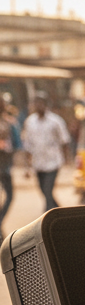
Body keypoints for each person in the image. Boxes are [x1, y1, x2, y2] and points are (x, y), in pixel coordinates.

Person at [20, 93, 71, 211]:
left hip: (53, 162)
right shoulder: (30, 122)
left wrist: (66, 160)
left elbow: (64, 141)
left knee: (48, 192)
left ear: (46, 105)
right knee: (44, 192)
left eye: (41, 103)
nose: (39, 106)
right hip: (38, 163)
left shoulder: (55, 121)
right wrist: (27, 166)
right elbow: (28, 145)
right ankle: (60, 212)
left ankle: (47, 220)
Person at [0, 94, 20, 233]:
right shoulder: (8, 122)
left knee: (10, 195)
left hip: (5, 166)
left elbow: (16, 144)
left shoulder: (9, 122)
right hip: (3, 166)